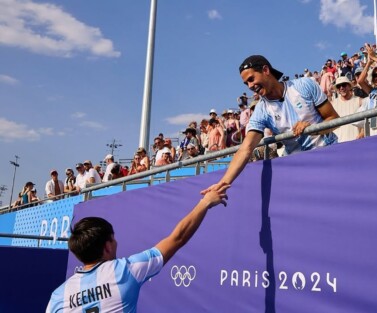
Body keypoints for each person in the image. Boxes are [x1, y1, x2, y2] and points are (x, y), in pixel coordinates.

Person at [46, 185, 229, 313]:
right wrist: (205, 202)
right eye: (114, 238)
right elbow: (178, 237)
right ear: (108, 246)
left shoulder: (58, 296)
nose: (117, 242)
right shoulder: (125, 271)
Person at [202, 55, 338, 194]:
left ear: (265, 70)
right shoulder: (261, 111)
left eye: (251, 79)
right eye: (246, 83)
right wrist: (223, 183)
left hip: (329, 158)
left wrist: (312, 130)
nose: (250, 86)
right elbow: (246, 149)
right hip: (300, 171)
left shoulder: (304, 85)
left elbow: (333, 118)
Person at [331, 76, 364, 142]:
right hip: (338, 144)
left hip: (356, 142)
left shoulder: (359, 101)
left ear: (349, 86)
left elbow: (366, 121)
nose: (341, 88)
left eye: (344, 85)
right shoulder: (332, 104)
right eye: (338, 86)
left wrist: (362, 133)